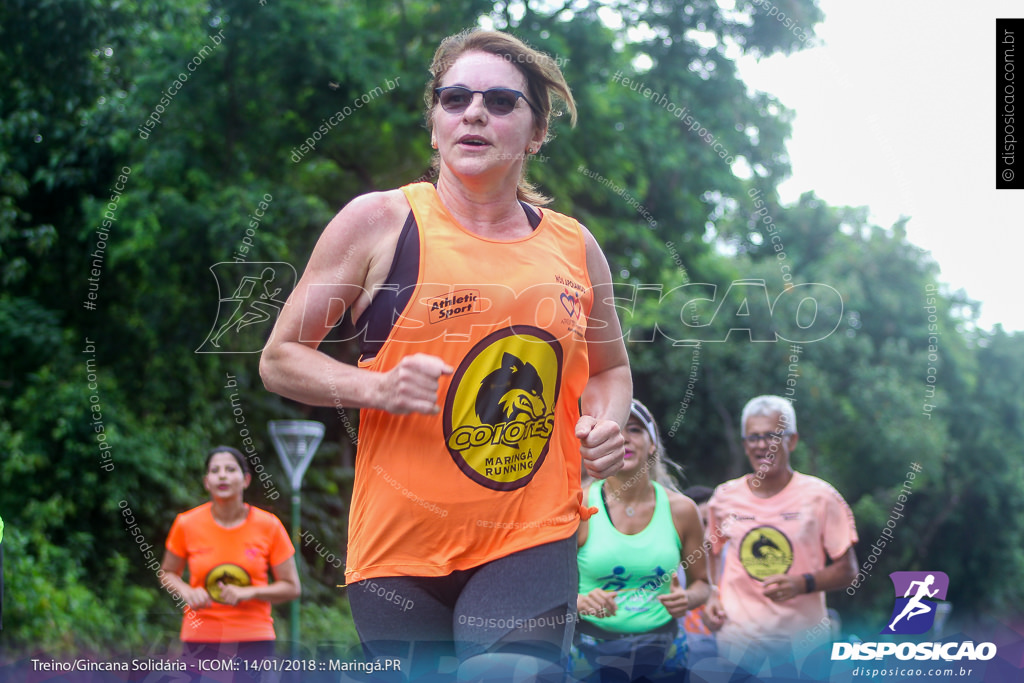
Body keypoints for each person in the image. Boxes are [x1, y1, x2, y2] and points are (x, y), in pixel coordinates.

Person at [259, 27, 631, 682]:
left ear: (537, 132)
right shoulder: (379, 222)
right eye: (454, 97)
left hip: (530, 534)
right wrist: (374, 387)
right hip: (398, 551)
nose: (474, 112)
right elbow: (281, 357)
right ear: (434, 125)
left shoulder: (575, 248)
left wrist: (605, 421)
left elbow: (609, 369)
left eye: (500, 101)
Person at [703, 395, 858, 679]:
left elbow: (848, 571)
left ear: (793, 440)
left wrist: (803, 583)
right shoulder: (724, 498)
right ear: (744, 444)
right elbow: (710, 552)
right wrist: (712, 594)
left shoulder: (821, 497)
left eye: (773, 435)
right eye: (754, 437)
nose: (763, 445)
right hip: (737, 646)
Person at [572, 399, 709, 682]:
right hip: (590, 654)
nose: (623, 438)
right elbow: (546, 590)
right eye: (614, 430)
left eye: (634, 429)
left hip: (664, 654)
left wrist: (687, 598)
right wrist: (580, 601)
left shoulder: (682, 510)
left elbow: (703, 584)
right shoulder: (578, 504)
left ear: (653, 444)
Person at [160, 446, 300, 670]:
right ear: (207, 482)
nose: (222, 475)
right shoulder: (186, 524)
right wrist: (186, 592)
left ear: (246, 480)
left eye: (230, 469)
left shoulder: (269, 525)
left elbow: (292, 587)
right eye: (215, 470)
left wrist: (250, 592)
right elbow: (167, 573)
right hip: (200, 637)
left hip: (254, 638)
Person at [678, 485, 718, 668]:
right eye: (702, 523)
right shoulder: (669, 567)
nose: (710, 534)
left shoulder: (738, 566)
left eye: (716, 523)